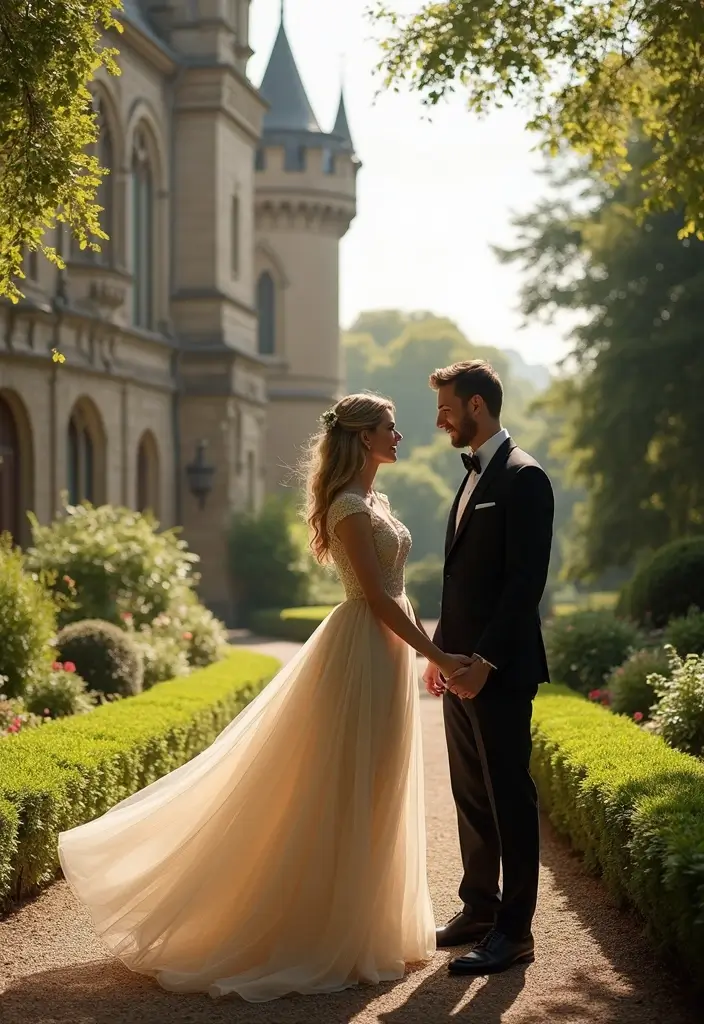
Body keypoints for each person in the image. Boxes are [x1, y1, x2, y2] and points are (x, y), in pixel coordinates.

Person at [59, 392, 470, 1003]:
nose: (400, 435)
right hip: (362, 645)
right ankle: (331, 932)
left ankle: (369, 925)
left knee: (379, 779)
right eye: (390, 427)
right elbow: (380, 600)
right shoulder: (350, 508)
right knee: (346, 783)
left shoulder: (376, 500)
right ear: (362, 437)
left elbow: (393, 594)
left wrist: (418, 656)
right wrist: (435, 654)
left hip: (384, 651)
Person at [423, 360, 554, 977]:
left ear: (477, 405)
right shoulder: (471, 475)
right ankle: (478, 909)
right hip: (457, 667)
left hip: (498, 671)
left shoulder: (527, 478)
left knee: (509, 796)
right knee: (471, 793)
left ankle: (515, 931)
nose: (440, 418)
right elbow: (461, 581)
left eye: (447, 406)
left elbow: (524, 583)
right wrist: (441, 652)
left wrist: (486, 662)